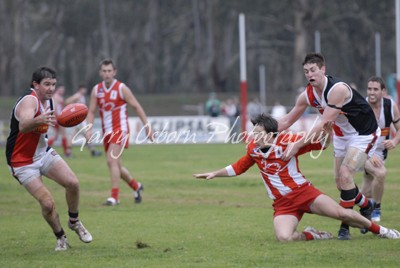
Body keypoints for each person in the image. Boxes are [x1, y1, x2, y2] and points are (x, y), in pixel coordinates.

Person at [193, 114, 400, 241]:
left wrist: (327, 134)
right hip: (283, 204)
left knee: (342, 214)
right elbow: (238, 167)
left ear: (271, 134)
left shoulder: (288, 142)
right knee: (284, 238)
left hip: (304, 193)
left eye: (258, 132)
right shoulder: (253, 149)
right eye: (253, 131)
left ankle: (382, 230)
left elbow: (320, 145)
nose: (253, 135)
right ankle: (314, 235)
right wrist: (214, 173)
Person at [278, 53, 378, 240]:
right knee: (341, 184)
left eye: (313, 70)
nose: (309, 74)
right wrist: (263, 130)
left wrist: (297, 145)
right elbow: (286, 120)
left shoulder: (337, 90)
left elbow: (324, 124)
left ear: (323, 69)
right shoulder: (307, 94)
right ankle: (366, 205)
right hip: (341, 135)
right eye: (306, 71)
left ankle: (344, 228)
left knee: (346, 174)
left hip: (363, 134)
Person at [5, 67, 92, 251]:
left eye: (53, 84)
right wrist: (40, 119)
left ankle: (74, 222)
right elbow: (23, 125)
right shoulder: (30, 101)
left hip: (43, 153)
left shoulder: (49, 101)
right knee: (47, 203)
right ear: (35, 85)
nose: (51, 88)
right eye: (46, 84)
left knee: (73, 183)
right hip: (21, 162)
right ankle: (61, 237)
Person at [86, 59, 153, 206]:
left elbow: (137, 106)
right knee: (117, 166)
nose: (107, 74)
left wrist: (147, 127)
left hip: (120, 129)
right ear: (100, 73)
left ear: (114, 72)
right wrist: (89, 128)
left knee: (111, 161)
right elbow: (91, 111)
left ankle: (114, 197)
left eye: (109, 71)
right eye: (104, 71)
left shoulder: (121, 88)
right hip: (107, 132)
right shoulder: (97, 90)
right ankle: (136, 187)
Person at [360, 76, 400, 222]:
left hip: (380, 154)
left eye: (375, 89)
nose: (371, 92)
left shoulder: (390, 106)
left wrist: (395, 141)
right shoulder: (361, 107)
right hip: (360, 152)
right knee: (381, 173)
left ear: (383, 91)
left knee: (367, 188)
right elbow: (353, 137)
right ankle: (376, 208)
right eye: (369, 89)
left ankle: (363, 215)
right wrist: (369, 155)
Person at [65, 84, 102, 157]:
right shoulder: (78, 95)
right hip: (79, 120)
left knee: (74, 136)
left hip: (79, 120)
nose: (85, 90)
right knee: (87, 135)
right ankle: (93, 152)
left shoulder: (81, 96)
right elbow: (67, 101)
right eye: (83, 89)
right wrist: (73, 109)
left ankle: (68, 152)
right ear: (80, 89)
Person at [48, 84, 72, 157]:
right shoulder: (56, 97)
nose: (62, 91)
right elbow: (54, 108)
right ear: (57, 89)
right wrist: (54, 118)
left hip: (59, 118)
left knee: (56, 136)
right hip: (58, 119)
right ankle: (67, 153)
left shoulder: (59, 97)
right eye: (61, 89)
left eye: (63, 89)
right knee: (63, 135)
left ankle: (45, 150)